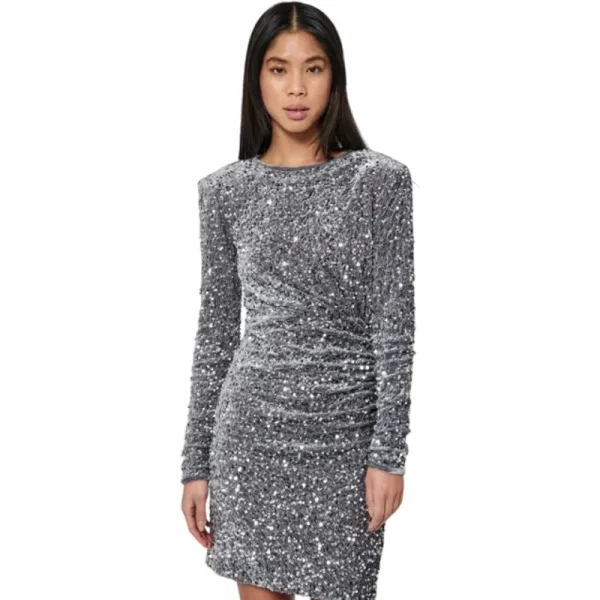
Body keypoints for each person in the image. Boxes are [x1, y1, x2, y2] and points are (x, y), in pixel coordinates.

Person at [180, 3, 416, 599]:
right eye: (278, 69)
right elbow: (216, 335)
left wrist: (389, 453)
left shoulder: (379, 182)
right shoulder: (224, 192)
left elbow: (395, 326)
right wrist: (196, 464)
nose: (296, 88)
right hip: (251, 439)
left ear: (335, 76)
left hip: (347, 441)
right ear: (256, 79)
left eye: (313, 68)